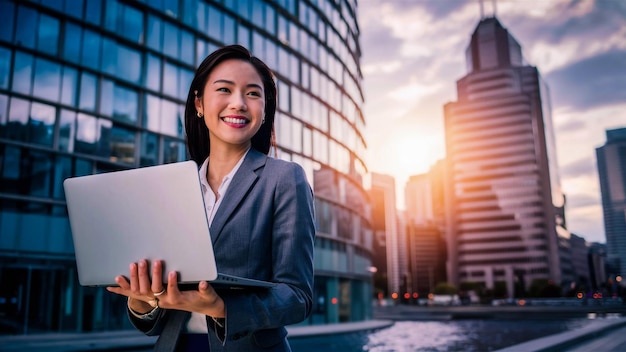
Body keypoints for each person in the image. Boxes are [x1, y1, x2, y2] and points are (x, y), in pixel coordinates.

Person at [106, 44, 316, 351]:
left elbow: (298, 297)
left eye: (253, 93)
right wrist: (143, 301)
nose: (239, 103)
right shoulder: (172, 188)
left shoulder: (284, 178)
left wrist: (221, 307)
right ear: (199, 104)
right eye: (225, 90)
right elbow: (154, 321)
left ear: (265, 109)